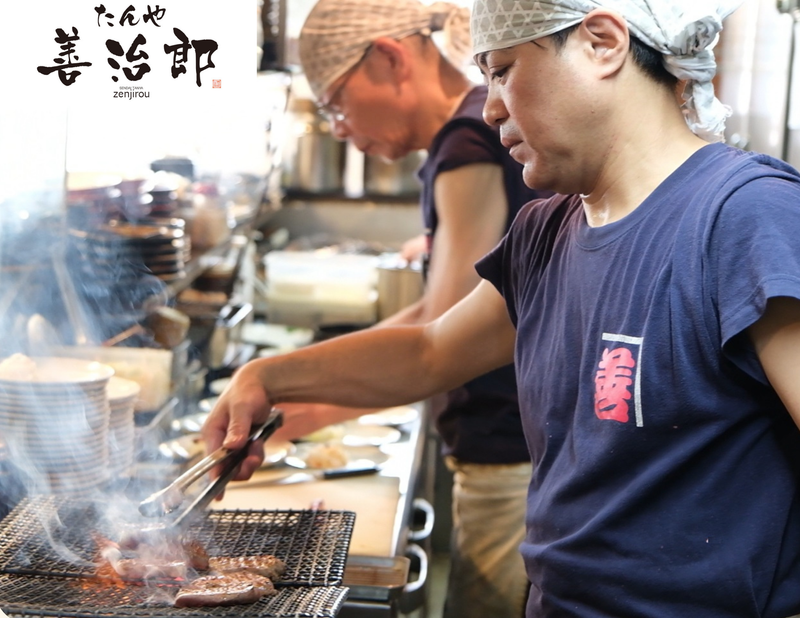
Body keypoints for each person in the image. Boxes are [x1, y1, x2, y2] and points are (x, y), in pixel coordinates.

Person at [204, 0, 800, 615]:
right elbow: (431, 351)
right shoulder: (546, 230)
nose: (489, 108)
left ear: (602, 43)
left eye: (503, 71)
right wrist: (266, 377)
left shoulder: (747, 217)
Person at [268, 2, 551, 616]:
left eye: (336, 105)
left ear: (390, 59)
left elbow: (436, 334)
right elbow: (440, 308)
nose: (339, 130)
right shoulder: (472, 131)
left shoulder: (466, 141)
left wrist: (298, 402)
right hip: (513, 441)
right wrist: (307, 389)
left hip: (508, 447)